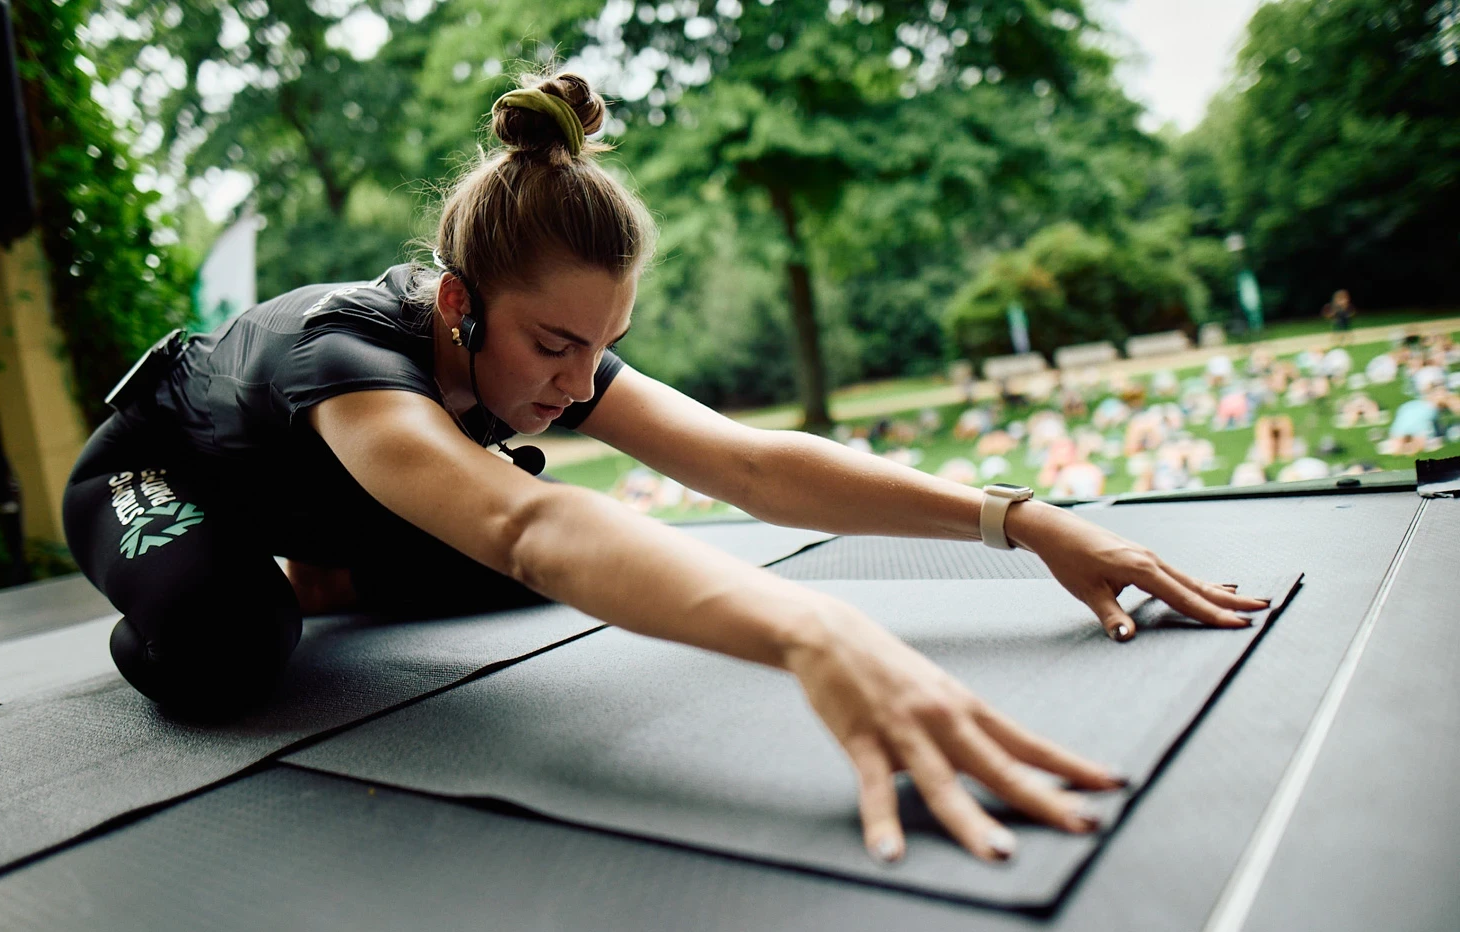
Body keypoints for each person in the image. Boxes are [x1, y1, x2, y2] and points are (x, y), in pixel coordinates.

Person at [62, 71, 1268, 867]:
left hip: (332, 494)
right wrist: (816, 631)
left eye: (604, 346)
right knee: (230, 641)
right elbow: (529, 524)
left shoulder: (552, 352)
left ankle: (323, 572)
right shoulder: (347, 357)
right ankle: (249, 585)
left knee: (567, 570)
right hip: (163, 473)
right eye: (553, 345)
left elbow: (749, 462)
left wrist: (1022, 516)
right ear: (458, 303)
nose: (579, 382)